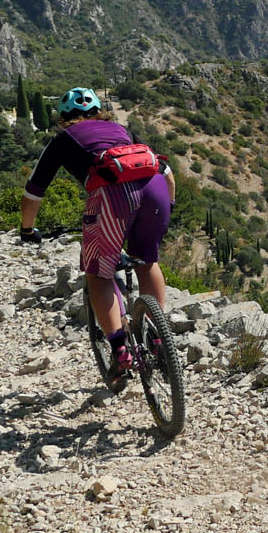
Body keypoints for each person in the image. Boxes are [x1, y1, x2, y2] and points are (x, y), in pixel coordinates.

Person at [20, 87, 176, 388]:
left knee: (98, 273)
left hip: (111, 197)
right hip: (156, 190)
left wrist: (27, 229)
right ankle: (158, 340)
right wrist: (169, 206)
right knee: (147, 261)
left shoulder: (63, 139)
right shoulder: (121, 130)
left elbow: (33, 192)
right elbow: (167, 172)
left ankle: (119, 350)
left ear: (63, 117)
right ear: (98, 111)